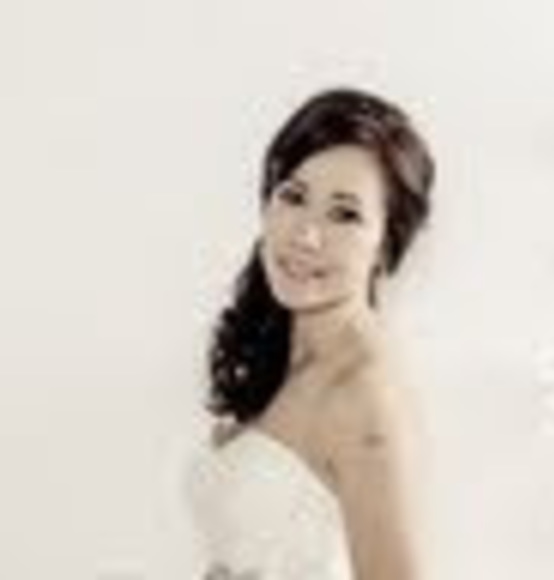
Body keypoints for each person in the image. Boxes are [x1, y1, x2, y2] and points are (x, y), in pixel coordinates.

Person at [196, 86, 435, 580]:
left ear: (386, 246)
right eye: (295, 197)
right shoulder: (288, 353)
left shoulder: (364, 397)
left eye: (344, 214)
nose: (306, 235)